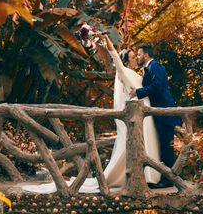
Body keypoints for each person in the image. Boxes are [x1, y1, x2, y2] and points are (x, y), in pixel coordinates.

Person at [21, 33, 161, 194]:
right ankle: (136, 175)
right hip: (136, 115)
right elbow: (114, 54)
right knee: (136, 143)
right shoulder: (123, 72)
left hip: (145, 113)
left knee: (148, 143)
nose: (136, 58)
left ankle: (149, 176)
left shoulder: (138, 73)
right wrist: (106, 39)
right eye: (132, 56)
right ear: (126, 60)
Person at [130, 43, 182, 189]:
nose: (138, 57)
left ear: (145, 55)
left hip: (165, 112)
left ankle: (168, 180)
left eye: (139, 54)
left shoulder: (156, 67)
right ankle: (165, 177)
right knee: (163, 146)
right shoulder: (148, 69)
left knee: (166, 147)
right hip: (158, 113)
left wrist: (138, 92)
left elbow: (158, 87)